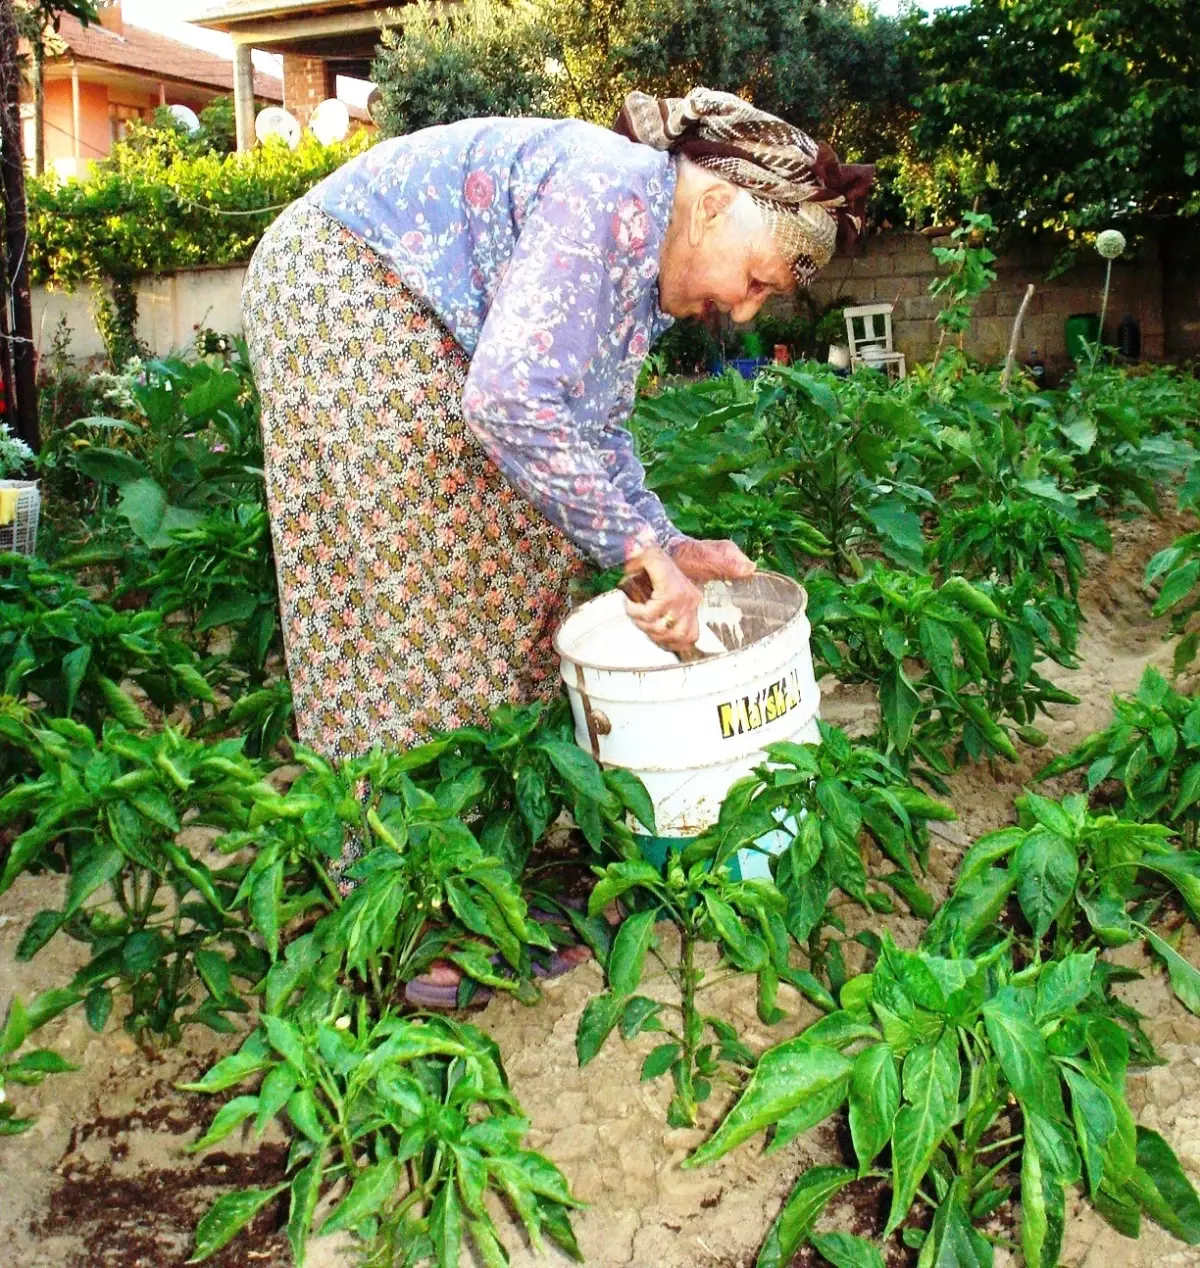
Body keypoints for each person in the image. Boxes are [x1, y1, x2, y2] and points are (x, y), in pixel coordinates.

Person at [242, 87, 873, 762]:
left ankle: (477, 792)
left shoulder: (644, 249)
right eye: (754, 280)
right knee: (417, 576)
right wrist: (638, 552)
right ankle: (391, 828)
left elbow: (590, 429)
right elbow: (509, 404)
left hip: (408, 302)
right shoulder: (611, 194)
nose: (744, 315)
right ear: (713, 209)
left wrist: (667, 542)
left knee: (537, 526)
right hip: (342, 280)